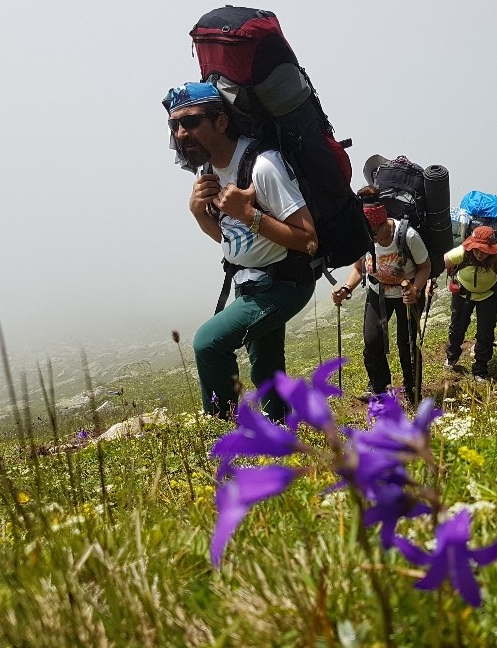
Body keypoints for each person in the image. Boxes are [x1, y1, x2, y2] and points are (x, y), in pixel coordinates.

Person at [163, 81, 318, 420]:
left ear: (221, 121)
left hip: (284, 282)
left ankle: (227, 435)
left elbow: (308, 240)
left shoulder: (263, 166)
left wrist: (248, 214)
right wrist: (198, 214)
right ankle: (284, 432)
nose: (180, 133)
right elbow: (230, 239)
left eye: (190, 122)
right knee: (266, 369)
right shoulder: (209, 172)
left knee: (209, 343)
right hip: (249, 284)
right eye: (174, 125)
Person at [331, 191, 430, 403]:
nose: (370, 237)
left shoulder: (407, 236)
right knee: (372, 342)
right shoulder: (364, 238)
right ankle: (381, 392)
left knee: (408, 345)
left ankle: (414, 393)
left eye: (372, 232)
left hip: (407, 295)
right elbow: (359, 268)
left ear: (383, 223)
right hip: (378, 293)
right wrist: (347, 289)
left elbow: (425, 266)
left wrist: (416, 289)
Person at [444, 226, 497, 380]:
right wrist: (430, 282)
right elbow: (438, 265)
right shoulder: (461, 252)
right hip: (463, 293)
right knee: (457, 328)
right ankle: (451, 357)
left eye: (484, 250)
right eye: (476, 249)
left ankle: (480, 370)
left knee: (485, 334)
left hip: (488, 296)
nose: (479, 254)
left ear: (491, 249)